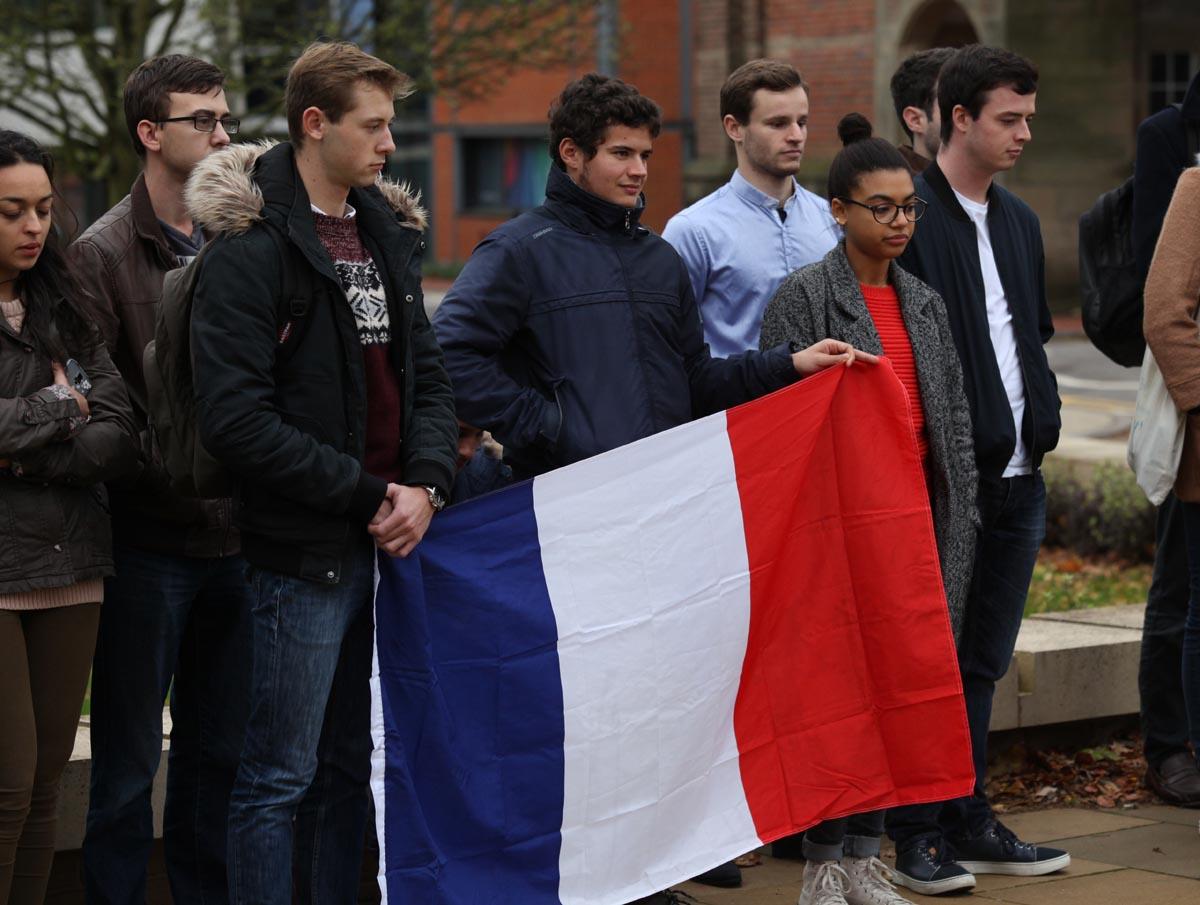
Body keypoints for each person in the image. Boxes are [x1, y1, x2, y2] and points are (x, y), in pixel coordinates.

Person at [433, 73, 874, 905]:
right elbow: (450, 354)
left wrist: (786, 365)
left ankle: (648, 874)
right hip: (567, 519)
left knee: (655, 709)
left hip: (662, 516)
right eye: (622, 154)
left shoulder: (657, 259)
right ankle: (591, 880)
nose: (639, 169)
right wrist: (547, 421)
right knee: (586, 717)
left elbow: (696, 378)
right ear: (571, 155)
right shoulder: (518, 250)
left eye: (646, 153)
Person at [187, 41, 457, 905]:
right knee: (276, 776)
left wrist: (426, 485)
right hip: (299, 555)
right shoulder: (249, 243)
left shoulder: (386, 232)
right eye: (372, 126)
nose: (389, 144)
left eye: (391, 125)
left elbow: (429, 381)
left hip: (385, 540)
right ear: (315, 124)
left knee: (350, 769)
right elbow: (236, 420)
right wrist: (371, 492)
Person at [760, 112, 978, 905]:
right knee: (835, 697)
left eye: (909, 206)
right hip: (836, 530)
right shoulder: (806, 296)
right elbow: (781, 425)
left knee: (898, 691)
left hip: (918, 526)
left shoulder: (923, 301)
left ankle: (865, 859)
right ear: (837, 211)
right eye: (880, 207)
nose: (899, 222)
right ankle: (822, 861)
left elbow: (950, 426)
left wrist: (962, 528)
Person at [881, 45, 1068, 894]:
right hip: (944, 480)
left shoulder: (1021, 220)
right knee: (930, 656)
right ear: (958, 117)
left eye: (1028, 116)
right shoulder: (906, 214)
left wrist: (1043, 417)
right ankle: (916, 833)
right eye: (1009, 118)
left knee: (983, 659)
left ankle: (969, 813)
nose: (1025, 131)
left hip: (1021, 475)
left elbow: (1025, 335)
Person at [70, 55, 254, 905]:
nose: (224, 135)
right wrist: (177, 467)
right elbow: (97, 412)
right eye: (203, 121)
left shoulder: (243, 240)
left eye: (225, 119)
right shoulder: (100, 254)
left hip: (241, 541)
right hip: (148, 546)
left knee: (218, 758)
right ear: (151, 134)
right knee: (125, 768)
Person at [0, 130, 138, 905]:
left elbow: (120, 427)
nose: (34, 226)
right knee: (8, 786)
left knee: (47, 788)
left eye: (45, 208)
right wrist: (60, 406)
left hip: (75, 561)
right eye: (13, 210)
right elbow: (81, 412)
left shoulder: (66, 300)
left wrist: (24, 450)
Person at [663, 59, 839, 358]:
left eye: (802, 122)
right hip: (740, 402)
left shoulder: (832, 219)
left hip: (824, 400)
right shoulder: (694, 230)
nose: (796, 135)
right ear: (735, 128)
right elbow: (667, 344)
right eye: (778, 123)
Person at [1132, 69, 1200, 807]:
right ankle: (1170, 746)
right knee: (1183, 588)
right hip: (1193, 423)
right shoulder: (1172, 143)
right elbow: (1164, 298)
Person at [889, 47, 954, 173]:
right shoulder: (893, 190)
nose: (969, 118)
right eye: (953, 105)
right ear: (916, 120)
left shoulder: (988, 189)